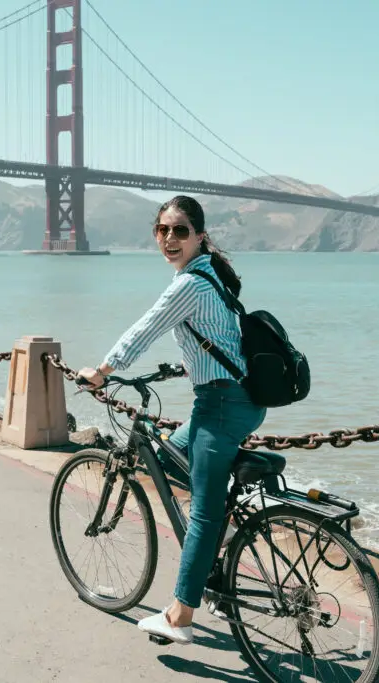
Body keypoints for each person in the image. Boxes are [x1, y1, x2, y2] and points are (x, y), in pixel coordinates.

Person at [76, 195, 266, 645]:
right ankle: (226, 535)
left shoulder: (189, 284)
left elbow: (146, 327)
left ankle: (180, 615)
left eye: (180, 230)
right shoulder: (209, 277)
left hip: (221, 406)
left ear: (201, 236)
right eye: (162, 230)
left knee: (201, 511)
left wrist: (102, 371)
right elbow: (217, 338)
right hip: (233, 399)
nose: (169, 239)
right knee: (172, 453)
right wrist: (182, 368)